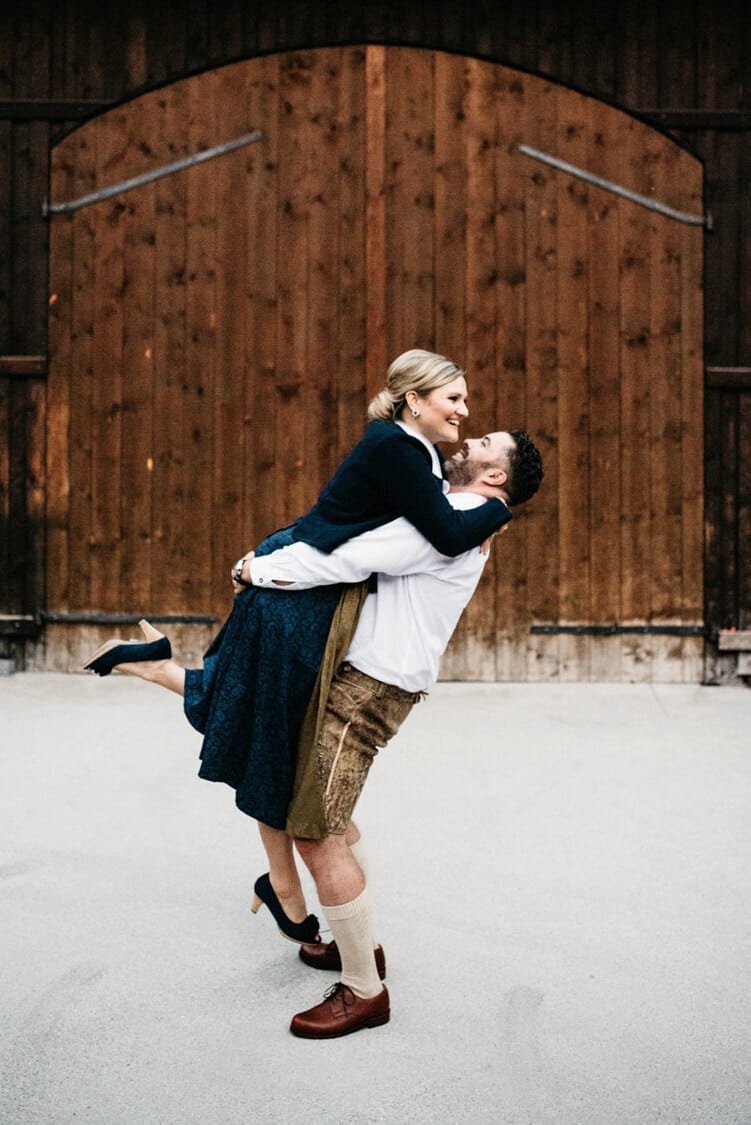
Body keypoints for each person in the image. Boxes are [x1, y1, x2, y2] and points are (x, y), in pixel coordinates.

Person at [84, 349, 514, 938]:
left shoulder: (415, 454)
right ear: (415, 399)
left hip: (306, 590)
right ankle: (287, 891)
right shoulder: (399, 449)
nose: (464, 412)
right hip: (300, 593)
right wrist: (261, 568)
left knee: (262, 724)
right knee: (271, 742)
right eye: (454, 399)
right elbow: (422, 538)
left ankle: (159, 669)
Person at [226, 428, 544, 1038]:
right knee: (334, 818)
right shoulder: (466, 516)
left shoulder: (459, 517)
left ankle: (364, 992)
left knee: (316, 833)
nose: (467, 437)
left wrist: (254, 569)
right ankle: (359, 948)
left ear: (496, 475)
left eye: (482, 442)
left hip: (370, 688)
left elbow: (347, 556)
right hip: (372, 679)